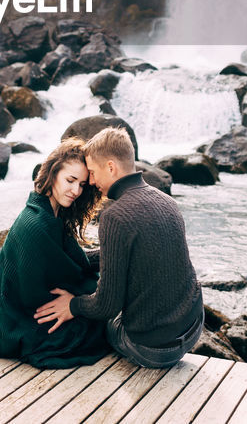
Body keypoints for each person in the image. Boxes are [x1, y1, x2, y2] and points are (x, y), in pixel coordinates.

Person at [35, 126, 203, 369]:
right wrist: (79, 259)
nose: (91, 182)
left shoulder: (115, 216)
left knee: (95, 324)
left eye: (92, 173)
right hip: (193, 327)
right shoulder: (167, 201)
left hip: (153, 350)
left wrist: (72, 305)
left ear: (111, 167)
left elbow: (106, 306)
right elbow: (135, 253)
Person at [0, 139, 111, 367]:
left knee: (97, 308)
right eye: (70, 180)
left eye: (81, 184)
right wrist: (90, 295)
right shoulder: (37, 224)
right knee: (97, 328)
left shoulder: (52, 213)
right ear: (52, 174)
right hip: (3, 326)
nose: (76, 191)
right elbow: (43, 293)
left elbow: (72, 268)